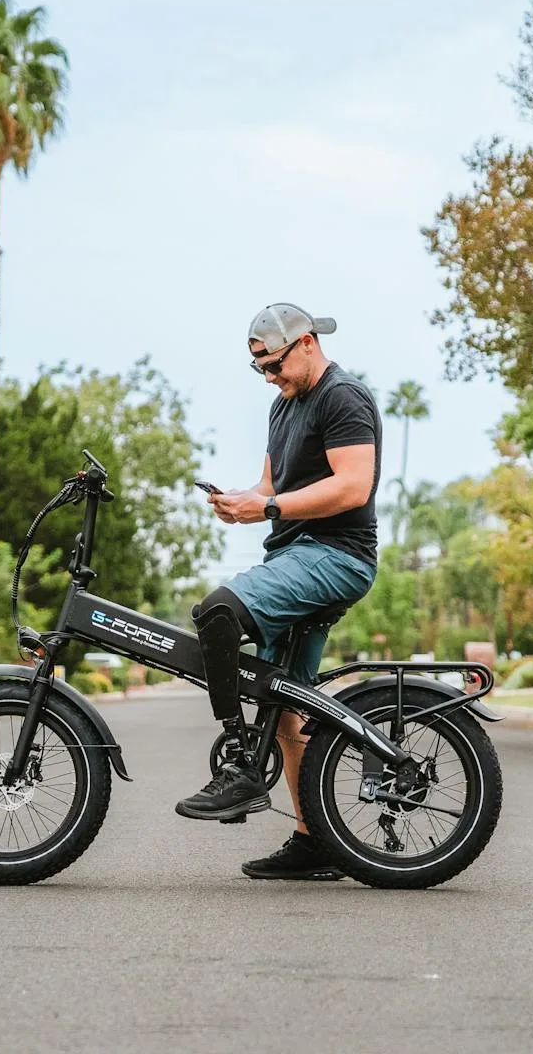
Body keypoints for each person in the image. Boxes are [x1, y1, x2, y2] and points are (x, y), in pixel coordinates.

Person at [174, 302, 383, 881]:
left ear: (307, 343)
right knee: (284, 701)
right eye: (259, 369)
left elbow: (351, 486)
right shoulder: (282, 406)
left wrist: (266, 506)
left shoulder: (344, 398)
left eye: (274, 364)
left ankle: (240, 764)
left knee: (218, 612)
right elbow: (272, 487)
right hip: (293, 555)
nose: (269, 377)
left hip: (336, 556)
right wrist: (242, 504)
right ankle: (314, 839)